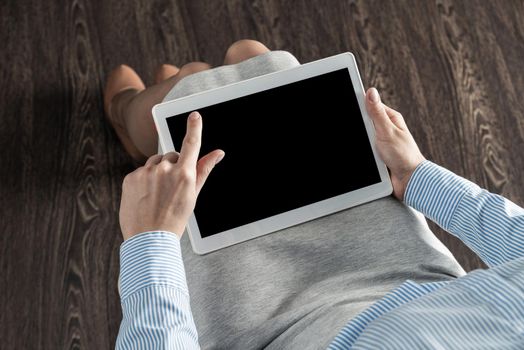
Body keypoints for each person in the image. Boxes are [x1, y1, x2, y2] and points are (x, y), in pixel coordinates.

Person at [104, 40, 524, 349]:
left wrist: (150, 240)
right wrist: (417, 176)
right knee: (253, 56)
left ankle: (131, 115)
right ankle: (161, 112)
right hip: (409, 277)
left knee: (198, 81)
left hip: (270, 328)